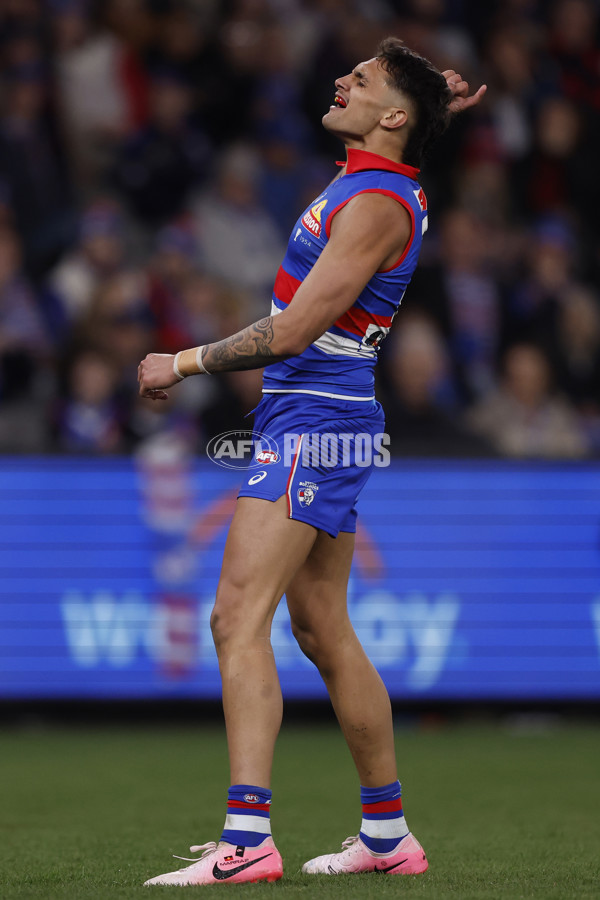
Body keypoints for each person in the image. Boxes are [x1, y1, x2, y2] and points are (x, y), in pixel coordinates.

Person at [138, 38, 485, 886]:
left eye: (360, 80)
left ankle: (248, 840)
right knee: (321, 627)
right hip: (321, 417)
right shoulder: (381, 181)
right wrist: (422, 99)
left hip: (312, 421)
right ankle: (387, 834)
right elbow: (400, 121)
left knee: (235, 616)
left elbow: (291, 335)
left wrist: (179, 363)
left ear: (392, 117)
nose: (341, 81)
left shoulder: (373, 205)